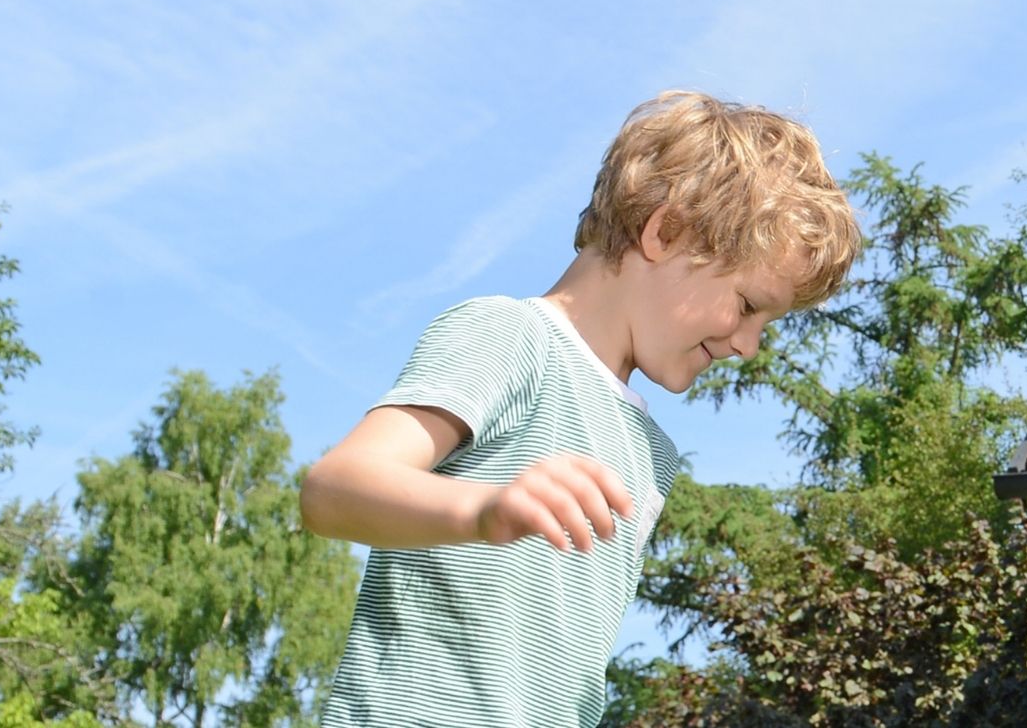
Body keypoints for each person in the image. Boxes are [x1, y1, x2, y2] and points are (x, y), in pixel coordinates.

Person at [297, 91, 859, 727]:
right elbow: (333, 490)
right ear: (665, 232)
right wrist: (482, 508)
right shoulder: (514, 338)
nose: (749, 345)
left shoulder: (650, 452)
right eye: (749, 306)